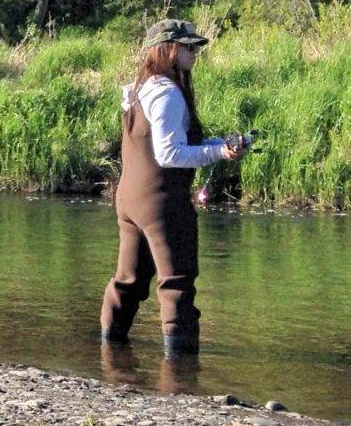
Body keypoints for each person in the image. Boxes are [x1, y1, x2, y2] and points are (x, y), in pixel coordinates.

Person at [98, 19, 249, 354]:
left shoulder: (138, 88)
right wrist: (219, 152)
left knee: (128, 281)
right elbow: (169, 154)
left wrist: (217, 144)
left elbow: (164, 143)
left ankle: (109, 355)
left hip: (129, 200)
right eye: (188, 47)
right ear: (168, 49)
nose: (195, 53)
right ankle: (181, 374)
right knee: (177, 281)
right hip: (161, 203)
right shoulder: (167, 93)